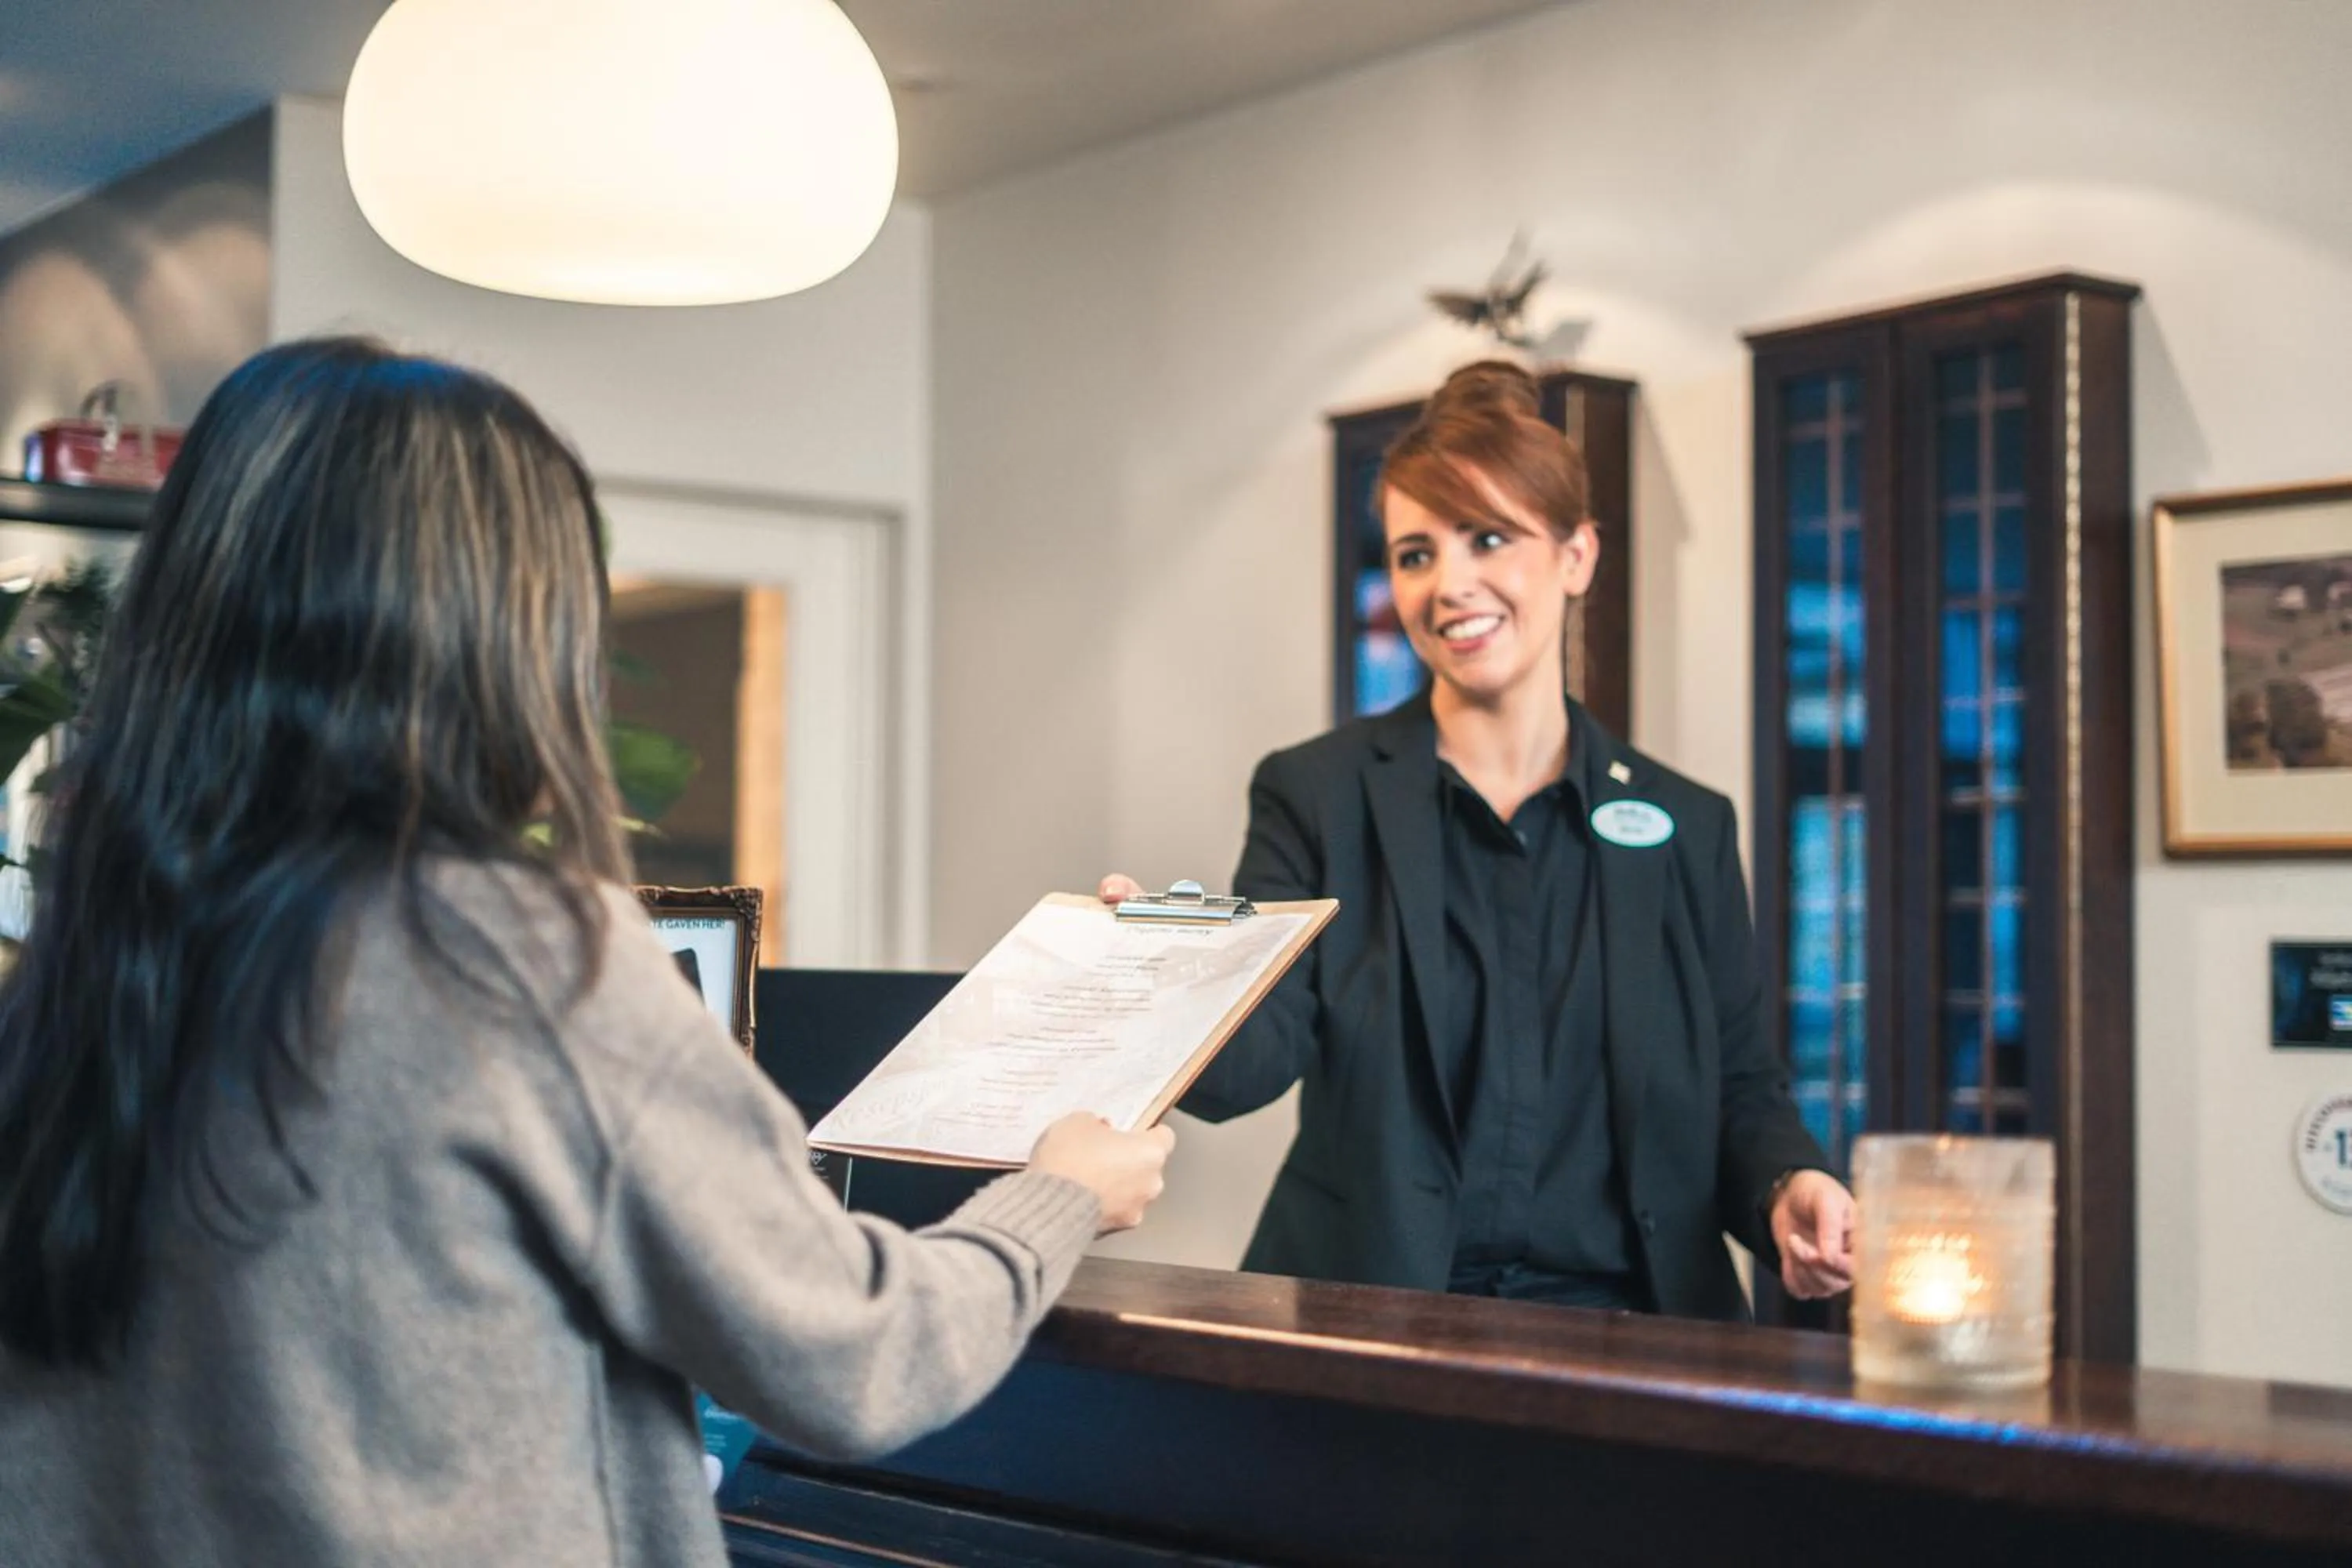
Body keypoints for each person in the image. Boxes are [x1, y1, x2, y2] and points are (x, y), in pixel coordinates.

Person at [0, 338, 1174, 1567]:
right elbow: (855, 1358)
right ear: (500, 628)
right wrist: (1060, 1198)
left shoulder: (88, 970)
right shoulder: (521, 961)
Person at [1104, 361, 1850, 1320]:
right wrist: (1161, 980)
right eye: (1415, 553)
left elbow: (1742, 1082)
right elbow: (1260, 1048)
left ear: (1578, 556)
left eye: (1488, 539)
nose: (1449, 584)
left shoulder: (1687, 824)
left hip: (1637, 1329)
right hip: (1376, 1320)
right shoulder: (1316, 794)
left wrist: (1788, 1183)